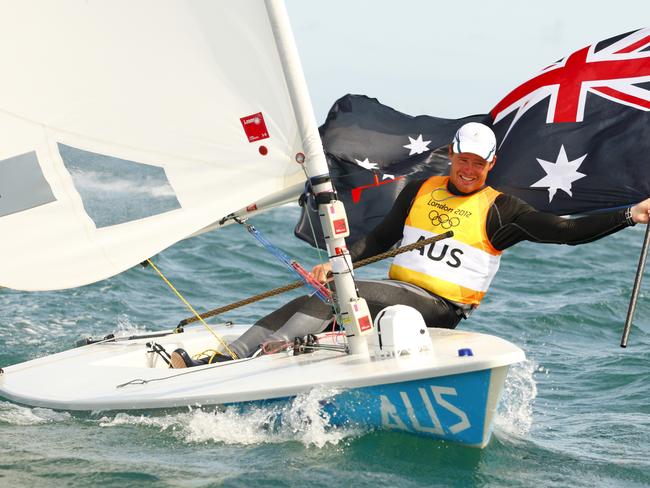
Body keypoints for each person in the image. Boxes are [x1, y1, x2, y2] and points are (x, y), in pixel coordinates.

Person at [170, 122, 650, 368]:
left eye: (478, 164)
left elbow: (564, 232)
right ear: (452, 155)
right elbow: (378, 241)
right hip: (393, 295)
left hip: (438, 308)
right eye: (463, 160)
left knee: (345, 296)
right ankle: (227, 356)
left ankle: (261, 356)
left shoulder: (503, 209)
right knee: (317, 294)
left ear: (491, 163)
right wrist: (337, 264)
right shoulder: (422, 189)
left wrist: (633, 214)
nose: (469, 170)